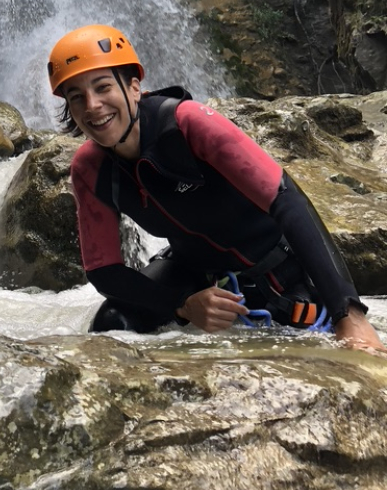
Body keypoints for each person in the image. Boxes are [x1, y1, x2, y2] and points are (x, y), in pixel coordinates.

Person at [47, 24, 385, 353]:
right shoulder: (90, 168)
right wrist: (182, 305)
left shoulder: (188, 123)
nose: (92, 106)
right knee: (112, 321)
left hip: (274, 266)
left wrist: (349, 314)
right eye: (77, 97)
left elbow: (286, 200)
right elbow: (103, 269)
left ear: (134, 87)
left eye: (103, 87)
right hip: (193, 271)